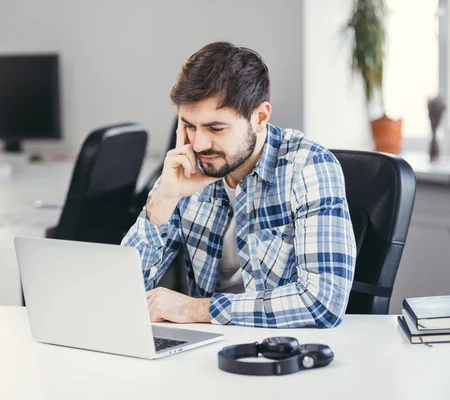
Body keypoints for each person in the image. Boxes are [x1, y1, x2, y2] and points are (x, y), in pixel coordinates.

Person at [121, 41, 356, 328]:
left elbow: (323, 303)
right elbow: (122, 294)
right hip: (205, 352)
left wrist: (194, 309)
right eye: (189, 126)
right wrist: (163, 200)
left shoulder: (308, 167)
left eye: (215, 128)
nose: (199, 143)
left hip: (284, 353)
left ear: (259, 117)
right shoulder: (184, 167)